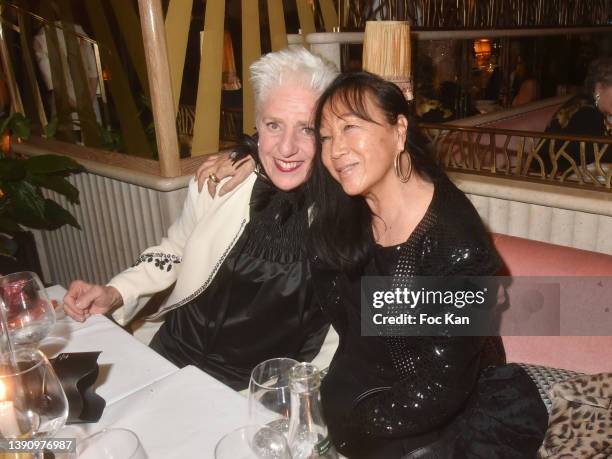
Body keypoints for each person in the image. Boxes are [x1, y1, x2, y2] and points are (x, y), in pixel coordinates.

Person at [63, 47, 338, 390]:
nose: (286, 147)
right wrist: (116, 292)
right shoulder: (222, 180)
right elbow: (174, 249)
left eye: (307, 129)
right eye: (273, 125)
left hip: (254, 392)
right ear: (256, 126)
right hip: (170, 357)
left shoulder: (346, 211)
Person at [307, 72, 548, 458]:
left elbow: (438, 389)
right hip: (355, 401)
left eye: (351, 127)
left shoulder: (456, 246)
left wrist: (350, 426)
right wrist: (249, 152)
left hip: (426, 424)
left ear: (399, 131)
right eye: (326, 136)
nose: (335, 149)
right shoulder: (348, 209)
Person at [541, 57, 612, 176]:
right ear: (599, 87)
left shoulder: (588, 104)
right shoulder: (584, 112)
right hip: (552, 182)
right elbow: (599, 155)